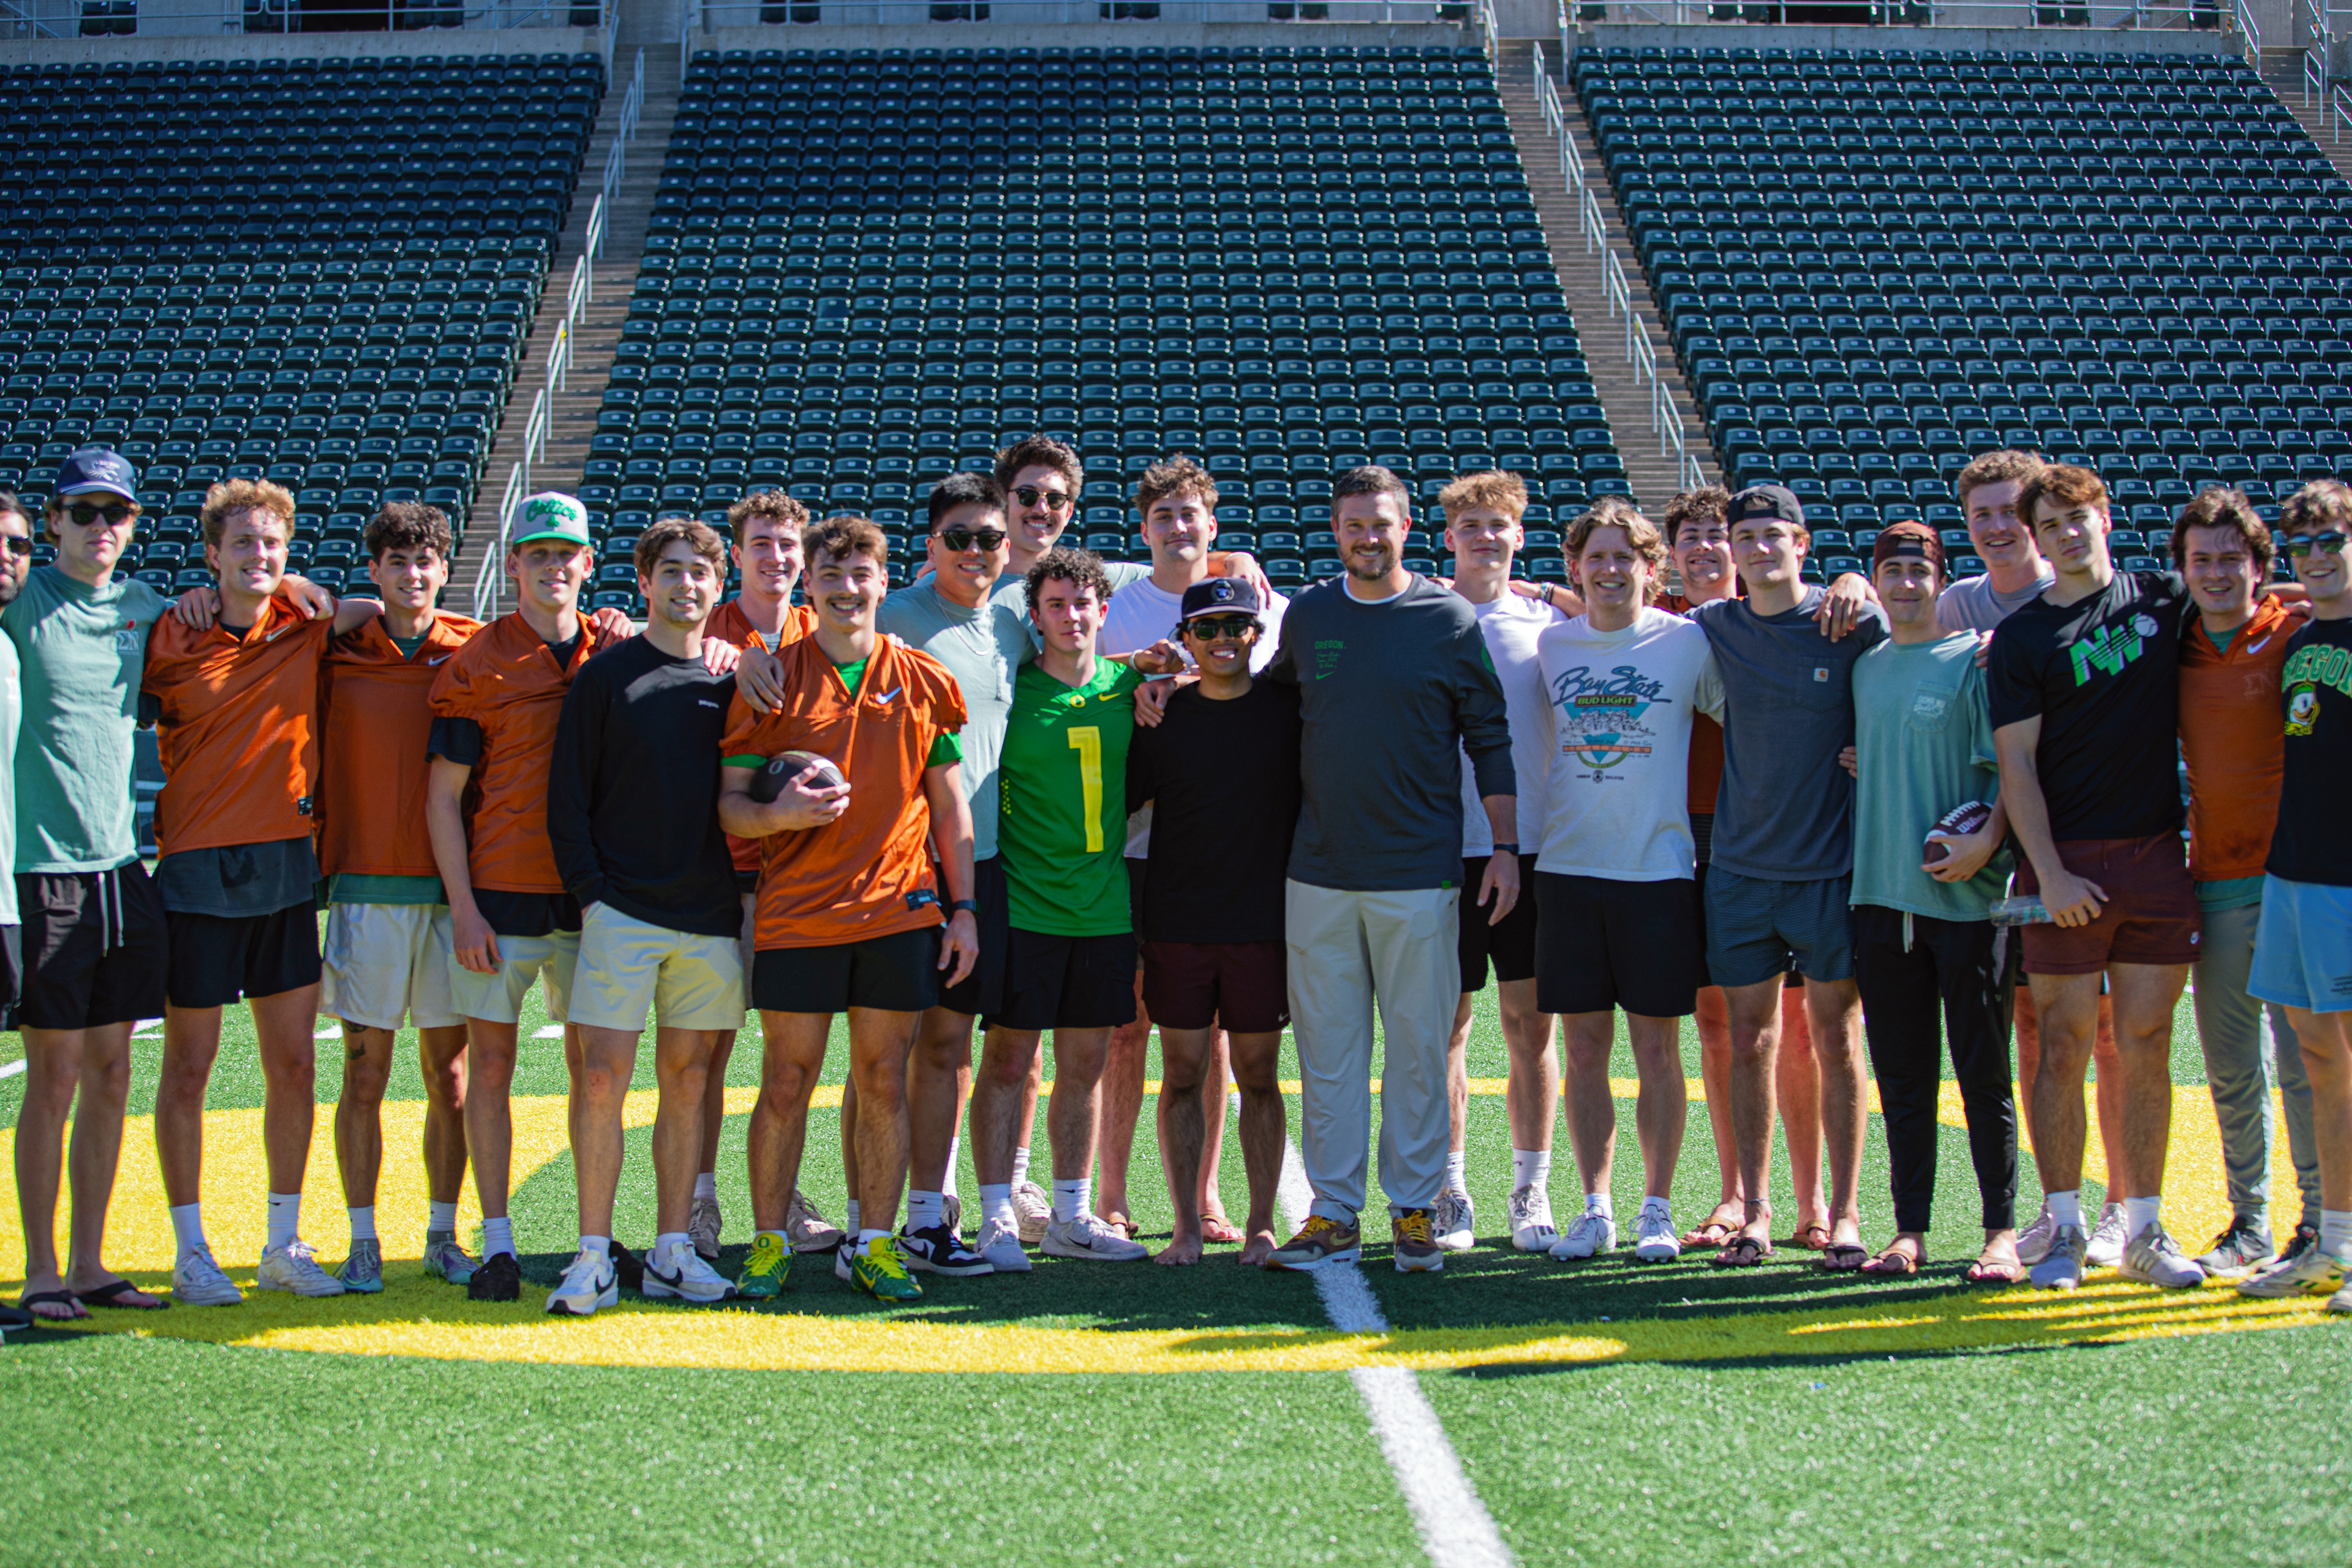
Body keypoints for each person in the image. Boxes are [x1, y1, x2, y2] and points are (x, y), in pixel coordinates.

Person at [1264, 464, 1515, 1274]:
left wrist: (1505, 848)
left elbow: (1490, 736)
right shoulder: (1310, 614)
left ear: (1406, 529)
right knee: (1328, 1057)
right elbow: (1263, 707)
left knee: (1417, 1053)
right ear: (1336, 531)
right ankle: (1334, 1213)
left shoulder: (1447, 617)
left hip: (1420, 875)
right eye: (1354, 525)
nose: (1368, 537)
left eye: (1381, 524)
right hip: (1319, 874)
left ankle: (1414, 1208)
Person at [718, 514, 975, 1302]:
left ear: (883, 582)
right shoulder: (772, 679)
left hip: (899, 910)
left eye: (861, 574)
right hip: (798, 913)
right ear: (810, 584)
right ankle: (769, 1242)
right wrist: (778, 817)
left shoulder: (925, 679)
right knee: (785, 1079)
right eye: (829, 575)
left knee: (883, 1079)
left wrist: (965, 908)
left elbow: (949, 807)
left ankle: (873, 1243)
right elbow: (730, 805)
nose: (846, 589)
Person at [144, 478, 377, 1303]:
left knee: (293, 1065)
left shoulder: (302, 621)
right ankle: (190, 1251)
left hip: (284, 867)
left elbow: (364, 609)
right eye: (243, 543)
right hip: (196, 872)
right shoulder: (169, 632)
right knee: (189, 1069)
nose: (259, 556)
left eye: (272, 544)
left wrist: (301, 587)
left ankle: (282, 1245)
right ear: (212, 554)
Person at [1988, 464, 2203, 1291]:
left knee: (2147, 1044)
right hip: (2066, 864)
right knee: (2062, 1044)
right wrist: (2048, 874)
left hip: (2156, 856)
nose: (2066, 534)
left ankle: (2144, 1228)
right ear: (2037, 540)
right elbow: (2017, 765)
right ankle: (2066, 1229)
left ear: (2105, 517)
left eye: (2077, 518)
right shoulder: (2024, 636)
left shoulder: (2163, 598)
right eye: (2050, 525)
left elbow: (2249, 596)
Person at [543, 517, 749, 1316]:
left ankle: (671, 1249)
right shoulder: (606, 677)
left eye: (700, 571)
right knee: (600, 1079)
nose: (685, 583)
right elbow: (567, 799)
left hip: (707, 913)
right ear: (643, 581)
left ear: (718, 585)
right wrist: (593, 895)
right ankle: (593, 1252)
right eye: (671, 569)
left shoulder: (733, 679)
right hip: (621, 910)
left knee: (690, 1081)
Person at [426, 493, 622, 1303]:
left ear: (588, 563)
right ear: (513, 564)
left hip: (589, 894)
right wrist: (464, 907)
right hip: (501, 891)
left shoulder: (615, 648)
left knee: (595, 1068)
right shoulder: (478, 662)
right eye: (537, 553)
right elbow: (442, 798)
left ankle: (591, 1237)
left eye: (565, 553)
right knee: (492, 1066)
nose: (552, 567)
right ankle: (498, 1239)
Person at [1939, 450, 2133, 1268]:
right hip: (2006, 857)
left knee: (2109, 1033)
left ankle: (2124, 1203)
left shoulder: (2092, 596)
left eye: (2008, 512)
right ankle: (2060, 1206)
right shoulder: (1956, 603)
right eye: (1979, 514)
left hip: (2085, 837)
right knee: (2034, 1028)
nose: (1996, 527)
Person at [1690, 483, 1886, 1270]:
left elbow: (1920, 661)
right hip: (1739, 870)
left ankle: (1845, 1211)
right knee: (1749, 1040)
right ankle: (1757, 1211)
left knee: (1836, 1039)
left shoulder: (1852, 621)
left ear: (1802, 545)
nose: (1759, 549)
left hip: (1830, 869)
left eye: (1775, 535)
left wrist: (1860, 580)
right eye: (1747, 538)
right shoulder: (1715, 625)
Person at [1095, 455, 1289, 1244]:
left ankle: (1206, 1197)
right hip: (1136, 848)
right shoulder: (1117, 604)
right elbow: (1074, 672)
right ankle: (1111, 1193)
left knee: (1210, 1038)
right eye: (1162, 516)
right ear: (1143, 529)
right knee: (1127, 1030)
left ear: (1214, 525)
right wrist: (1135, 677)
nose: (1178, 528)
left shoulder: (1257, 600)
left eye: (1190, 515)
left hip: (1227, 855)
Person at [1532, 499, 1720, 1265]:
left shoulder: (1688, 643)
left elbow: (1756, 720)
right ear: (1575, 568)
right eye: (1596, 557)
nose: (1610, 570)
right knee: (1583, 1052)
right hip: (1567, 870)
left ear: (1652, 568)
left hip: (1657, 873)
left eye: (1625, 557)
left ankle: (1657, 1207)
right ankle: (1595, 1207)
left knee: (1658, 1053)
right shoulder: (1551, 644)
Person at [2, 472, 164, 1326]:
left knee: (111, 1070)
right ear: (56, 522)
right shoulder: (21, 603)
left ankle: (91, 1262)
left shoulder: (146, 607)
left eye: (117, 512)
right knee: (54, 1076)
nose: (101, 524)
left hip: (122, 870)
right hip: (44, 873)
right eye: (84, 511)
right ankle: (40, 1269)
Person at [1845, 522, 2020, 1283]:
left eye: (1920, 571)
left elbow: (2011, 767)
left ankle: (1999, 1232)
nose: (1907, 584)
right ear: (1876, 580)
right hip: (1881, 898)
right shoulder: (1866, 667)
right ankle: (1909, 1230)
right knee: (1904, 1081)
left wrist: (1989, 842)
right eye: (1893, 571)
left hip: (1967, 903)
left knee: (1984, 1076)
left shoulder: (1974, 659)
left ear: (1941, 581)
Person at [315, 503, 483, 1294]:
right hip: (364, 892)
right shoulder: (337, 648)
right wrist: (337, 608)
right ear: (374, 570)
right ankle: (362, 1240)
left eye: (425, 561)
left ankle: (443, 1236)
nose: (413, 574)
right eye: (397, 561)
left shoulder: (474, 647)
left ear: (445, 569)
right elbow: (281, 613)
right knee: (364, 1075)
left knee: (450, 1079)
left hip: (453, 895)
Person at [969, 548, 1152, 1267]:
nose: (1071, 616)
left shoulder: (1130, 686)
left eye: (1082, 603)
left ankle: (1073, 1216)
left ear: (1103, 611)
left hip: (1104, 908)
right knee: (1009, 1060)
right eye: (1056, 604)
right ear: (1036, 616)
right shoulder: (1010, 692)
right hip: (1024, 907)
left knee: (1086, 1064)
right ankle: (995, 1215)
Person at [1125, 577, 1301, 1265]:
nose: (1223, 638)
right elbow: (1120, 799)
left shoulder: (1287, 710)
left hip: (1263, 924)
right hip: (1179, 921)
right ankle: (1186, 1227)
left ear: (1256, 634)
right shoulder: (1163, 716)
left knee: (1258, 1074)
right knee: (1182, 1072)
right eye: (1207, 627)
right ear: (1186, 639)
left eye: (1236, 625)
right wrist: (1142, 684)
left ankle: (1260, 1224)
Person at [2171, 488, 2317, 1278]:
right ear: (2183, 569)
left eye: (2233, 558)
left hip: (2299, 878)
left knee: (2308, 1063)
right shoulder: (2175, 640)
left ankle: (2321, 1219)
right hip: (2216, 878)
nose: (2217, 573)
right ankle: (2249, 1225)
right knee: (2232, 1067)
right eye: (2203, 560)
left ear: (2260, 567)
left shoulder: (2297, 631)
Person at [694, 492, 838, 1264]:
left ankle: (784, 1197)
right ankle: (698, 1198)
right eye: (761, 544)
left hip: (800, 877)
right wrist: (716, 652)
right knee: (706, 1051)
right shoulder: (705, 625)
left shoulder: (824, 629)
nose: (776, 557)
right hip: (717, 873)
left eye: (788, 545)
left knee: (792, 1057)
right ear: (737, 553)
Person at [1433, 470, 1567, 1253]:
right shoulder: (1424, 614)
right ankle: (1451, 1189)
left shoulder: (1550, 624)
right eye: (1472, 525)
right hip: (1442, 850)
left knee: (1530, 1027)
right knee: (1445, 1028)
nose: (1486, 536)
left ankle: (1529, 1187)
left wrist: (1554, 591)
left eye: (1499, 524)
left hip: (1532, 848)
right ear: (1448, 536)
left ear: (1520, 534)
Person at [2237, 478, 2352, 1311]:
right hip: (2293, 871)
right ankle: (2334, 1241)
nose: (2317, 556)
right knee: (2317, 1060)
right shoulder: (2305, 635)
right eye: (2303, 543)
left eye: (2333, 540)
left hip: (2347, 879)